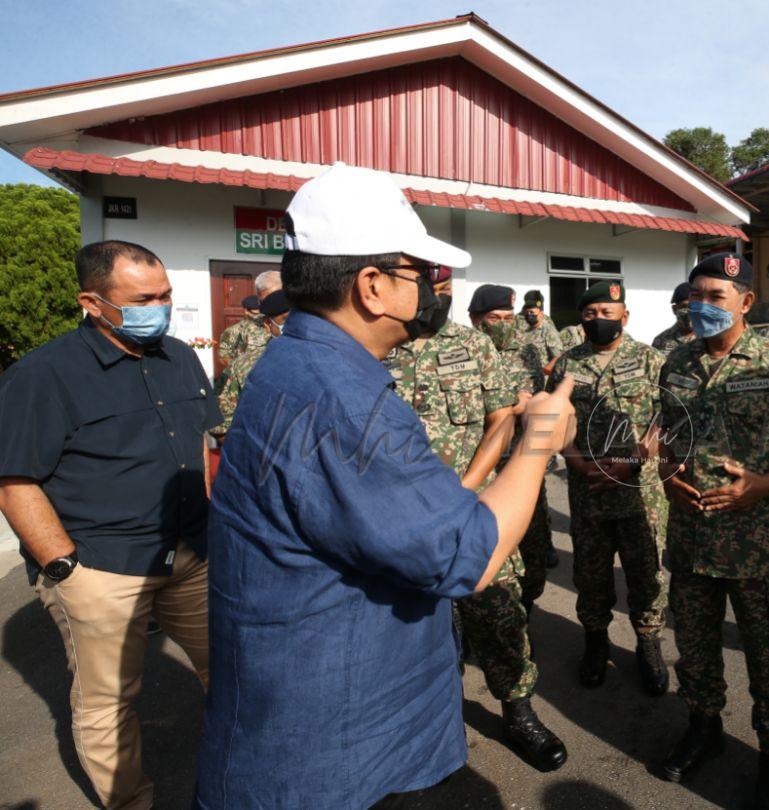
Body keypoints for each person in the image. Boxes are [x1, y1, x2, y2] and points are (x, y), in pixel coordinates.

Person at [195, 163, 575, 809]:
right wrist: (540, 439)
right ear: (372, 285)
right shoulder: (338, 397)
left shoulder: (297, 362)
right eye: (419, 274)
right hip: (333, 749)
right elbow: (467, 555)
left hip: (331, 712)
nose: (430, 290)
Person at [0, 240, 221, 810]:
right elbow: (15, 481)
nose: (161, 306)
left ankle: (239, 779)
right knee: (108, 703)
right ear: (92, 302)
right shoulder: (43, 375)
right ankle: (130, 802)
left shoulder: (181, 356)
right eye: (144, 298)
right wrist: (63, 566)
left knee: (231, 670)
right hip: (101, 565)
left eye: (166, 294)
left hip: (189, 553)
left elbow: (206, 444)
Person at [656, 253, 769, 809]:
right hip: (690, 534)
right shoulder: (675, 362)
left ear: (746, 302)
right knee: (695, 646)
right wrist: (664, 472)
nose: (702, 306)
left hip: (752, 538)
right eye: (696, 295)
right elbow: (667, 436)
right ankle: (703, 728)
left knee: (767, 654)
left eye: (716, 297)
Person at [386, 270, 567, 772]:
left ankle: (518, 710)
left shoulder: (473, 346)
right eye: (429, 292)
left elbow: (502, 418)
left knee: (499, 615)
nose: (434, 302)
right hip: (399, 520)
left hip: (473, 511)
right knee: (410, 626)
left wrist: (467, 488)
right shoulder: (379, 345)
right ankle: (428, 721)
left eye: (444, 293)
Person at [546, 280, 669, 694]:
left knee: (646, 573)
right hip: (589, 492)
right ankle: (595, 641)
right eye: (590, 314)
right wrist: (579, 464)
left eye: (607, 313)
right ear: (581, 318)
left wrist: (634, 461)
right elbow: (555, 419)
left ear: (625, 316)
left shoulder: (652, 361)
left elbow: (664, 420)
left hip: (639, 495)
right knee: (590, 571)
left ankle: (648, 642)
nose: (599, 320)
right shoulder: (567, 365)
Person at [469, 285, 555, 615]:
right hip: (483, 467)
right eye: (494, 317)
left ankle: (527, 607)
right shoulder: (464, 350)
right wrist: (507, 403)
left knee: (533, 547)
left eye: (509, 317)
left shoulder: (528, 350)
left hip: (522, 464)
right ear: (476, 319)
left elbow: (539, 399)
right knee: (487, 549)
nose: (504, 324)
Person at [211, 289, 291, 439]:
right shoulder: (241, 367)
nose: (295, 325)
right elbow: (220, 427)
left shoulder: (329, 361)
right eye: (287, 320)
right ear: (268, 323)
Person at [216, 270, 281, 369]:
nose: (258, 315)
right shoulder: (233, 331)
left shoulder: (275, 324)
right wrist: (242, 368)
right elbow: (223, 357)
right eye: (254, 312)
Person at [518, 289, 564, 366]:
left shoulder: (547, 325)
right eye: (528, 312)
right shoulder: (517, 320)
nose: (529, 315)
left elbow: (557, 357)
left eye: (532, 312)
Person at [651, 281, 696, 355]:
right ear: (674, 309)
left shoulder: (710, 339)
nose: (688, 311)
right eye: (684, 306)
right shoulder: (661, 340)